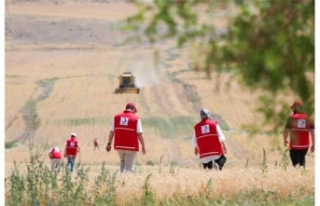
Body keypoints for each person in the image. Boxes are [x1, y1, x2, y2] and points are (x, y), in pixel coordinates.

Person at [106, 102, 146, 173]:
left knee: (122, 161)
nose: (135, 113)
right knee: (129, 168)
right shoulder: (136, 119)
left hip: (119, 146)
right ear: (133, 109)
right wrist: (143, 146)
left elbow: (111, 132)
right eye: (135, 111)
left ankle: (122, 180)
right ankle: (128, 182)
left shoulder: (117, 117)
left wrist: (109, 144)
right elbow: (139, 134)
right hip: (131, 147)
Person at [283, 100, 315, 167]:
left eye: (293, 108)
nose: (292, 110)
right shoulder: (309, 118)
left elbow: (286, 131)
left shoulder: (291, 118)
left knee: (296, 167)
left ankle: (300, 174)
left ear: (295, 108)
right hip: (305, 146)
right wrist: (314, 144)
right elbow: (313, 133)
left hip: (294, 146)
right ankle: (303, 173)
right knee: (301, 161)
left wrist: (285, 139)